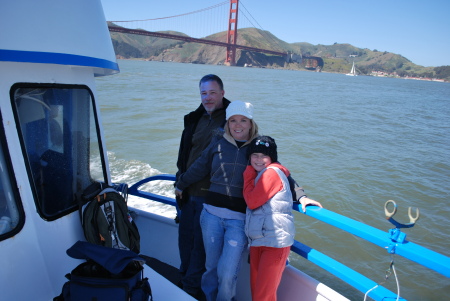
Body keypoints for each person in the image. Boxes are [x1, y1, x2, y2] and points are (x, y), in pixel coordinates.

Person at [176, 100, 259, 301]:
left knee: (228, 272)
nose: (237, 125)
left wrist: (300, 194)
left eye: (243, 120)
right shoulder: (218, 142)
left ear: (251, 123)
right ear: (228, 123)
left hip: (238, 221)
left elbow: (278, 172)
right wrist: (181, 183)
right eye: (232, 120)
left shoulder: (259, 147)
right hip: (211, 216)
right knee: (211, 268)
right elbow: (199, 166)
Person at [243, 135, 323, 301]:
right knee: (258, 291)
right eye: (254, 155)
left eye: (264, 156)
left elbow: (252, 201)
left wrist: (248, 172)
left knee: (263, 295)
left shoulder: (270, 174)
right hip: (260, 240)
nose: (258, 160)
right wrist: (301, 196)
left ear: (271, 158)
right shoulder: (265, 173)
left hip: (275, 243)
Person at [175, 74, 231, 299]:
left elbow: (207, 160)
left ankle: (189, 290)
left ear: (222, 93)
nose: (207, 98)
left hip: (210, 195)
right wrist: (180, 181)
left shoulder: (231, 120)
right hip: (187, 193)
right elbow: (185, 154)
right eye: (203, 93)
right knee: (185, 240)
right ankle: (183, 279)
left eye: (212, 93)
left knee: (200, 247)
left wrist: (298, 193)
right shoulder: (195, 118)